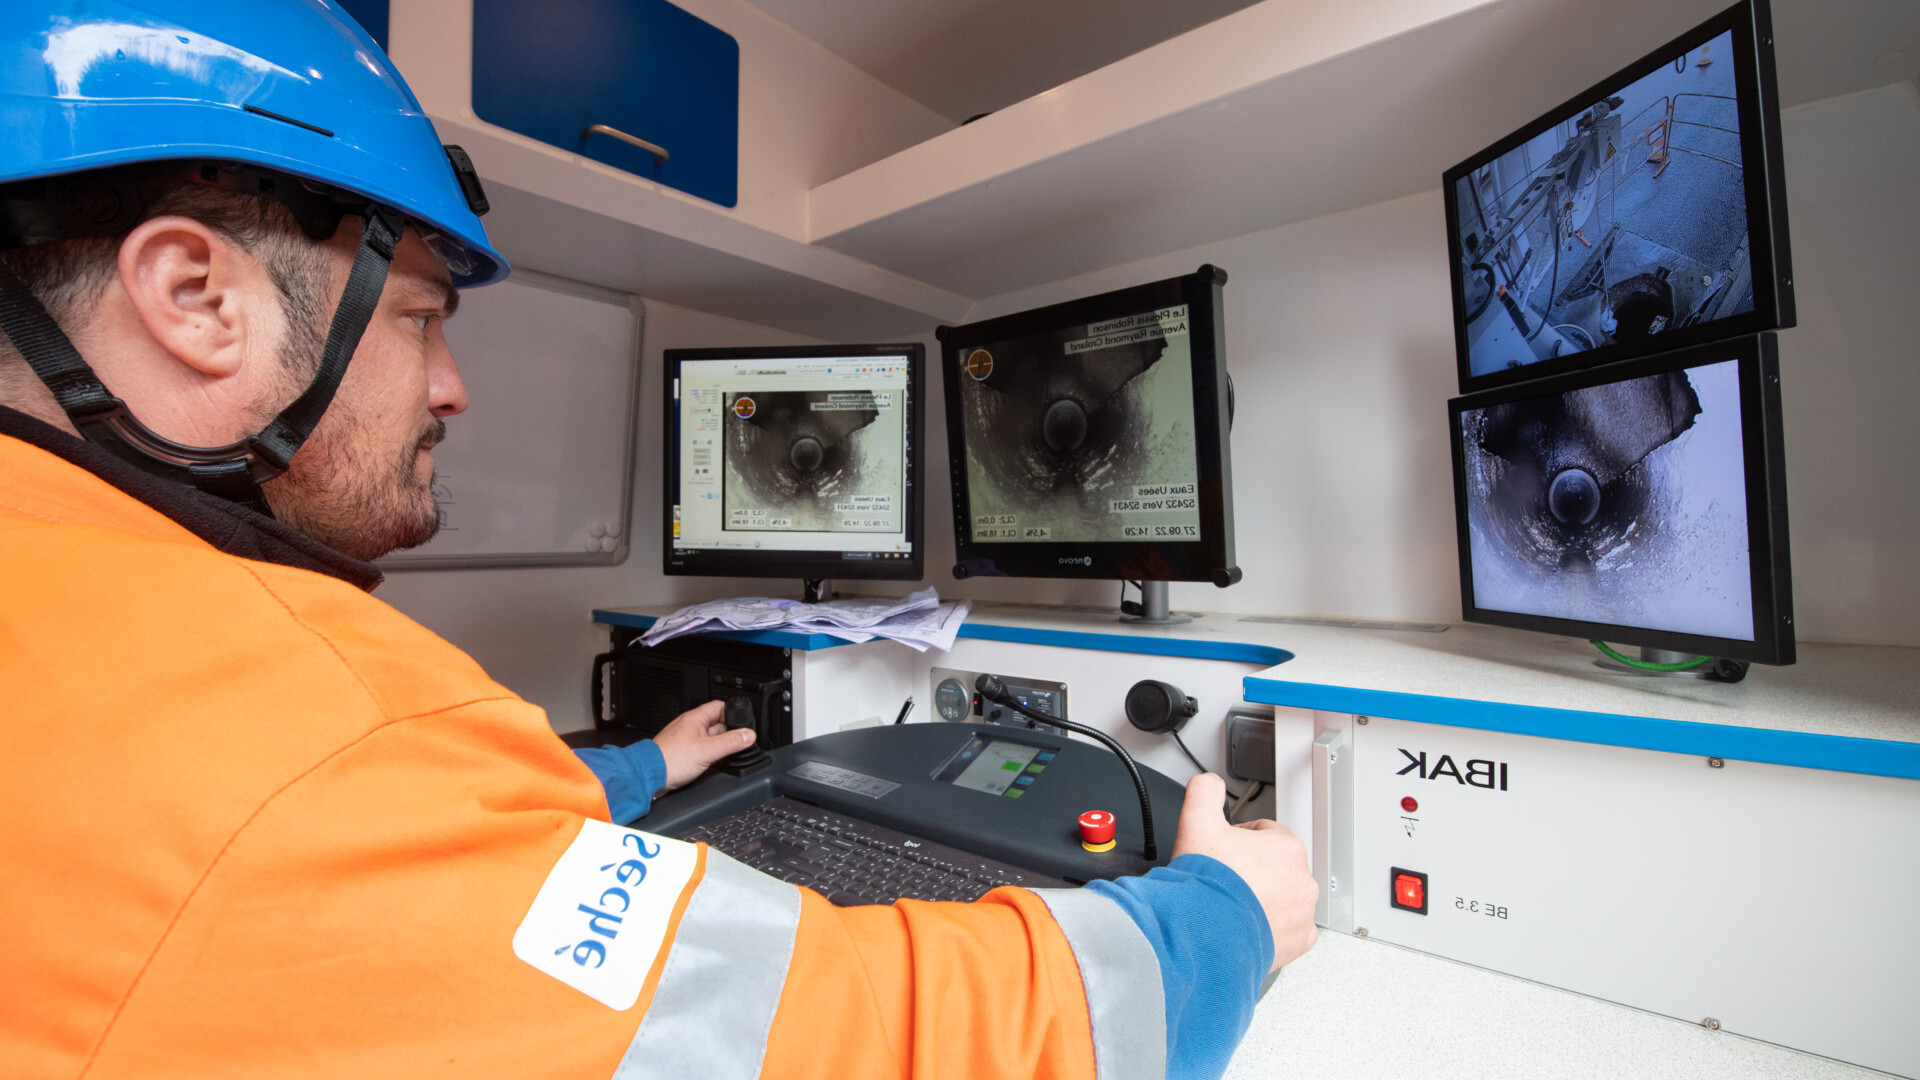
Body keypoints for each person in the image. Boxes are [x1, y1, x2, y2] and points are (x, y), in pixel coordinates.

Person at [0, 3, 1320, 1079]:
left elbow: (408, 864)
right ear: (192, 297)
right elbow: (839, 1036)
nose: (452, 387)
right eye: (418, 318)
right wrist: (1217, 921)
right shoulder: (300, 728)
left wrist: (632, 772)